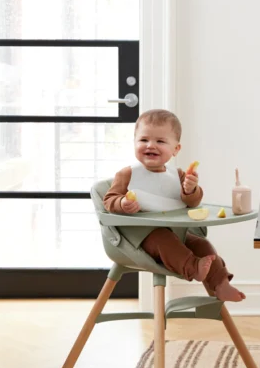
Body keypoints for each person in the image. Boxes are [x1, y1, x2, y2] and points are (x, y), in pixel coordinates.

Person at [103, 109, 245, 302]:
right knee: (163, 239)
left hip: (179, 231)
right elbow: (109, 200)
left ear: (176, 149)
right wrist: (122, 203)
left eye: (160, 141)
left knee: (202, 244)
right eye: (144, 140)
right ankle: (193, 268)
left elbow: (193, 203)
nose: (150, 145)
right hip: (143, 237)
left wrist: (190, 189)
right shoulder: (127, 174)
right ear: (135, 143)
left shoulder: (177, 175)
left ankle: (221, 283)